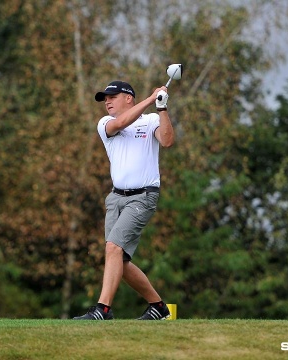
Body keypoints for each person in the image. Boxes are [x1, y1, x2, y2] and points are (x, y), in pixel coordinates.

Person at [73, 80, 175, 320]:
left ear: (129, 97)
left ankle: (103, 309)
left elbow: (168, 141)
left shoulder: (150, 121)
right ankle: (159, 307)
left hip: (143, 196)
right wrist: (151, 99)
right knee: (119, 259)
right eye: (105, 99)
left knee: (113, 248)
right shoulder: (105, 124)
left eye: (112, 97)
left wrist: (161, 109)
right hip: (115, 198)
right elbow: (121, 123)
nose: (107, 101)